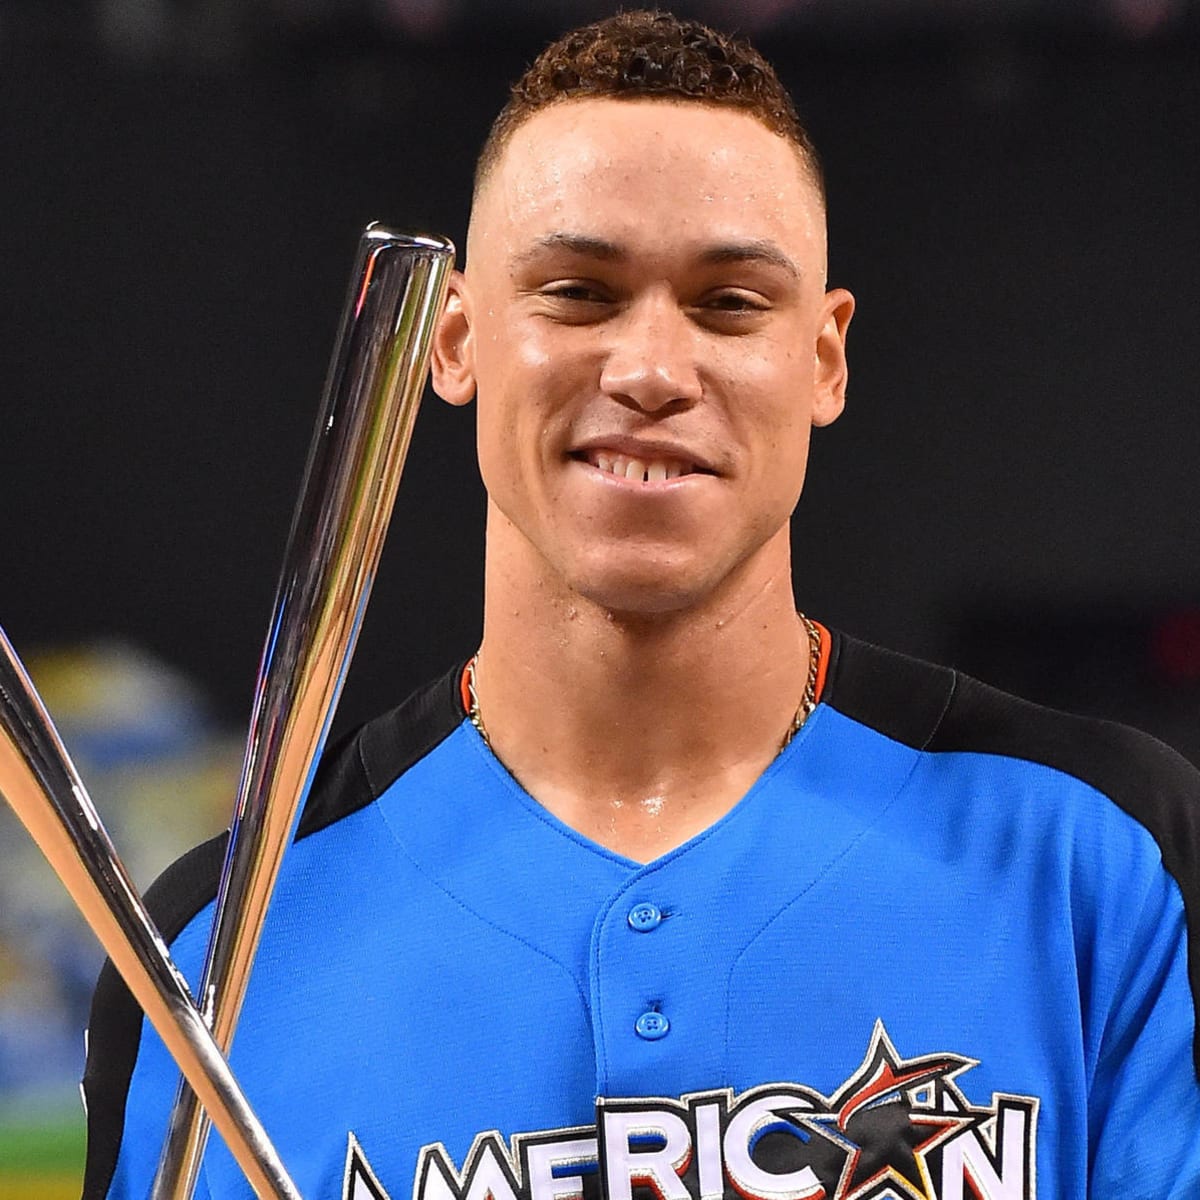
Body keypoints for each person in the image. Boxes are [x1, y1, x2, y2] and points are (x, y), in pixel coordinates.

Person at [82, 11, 1200, 1200]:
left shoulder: (1103, 856)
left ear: (825, 360)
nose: (654, 369)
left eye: (729, 303)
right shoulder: (215, 957)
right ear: (453, 339)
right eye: (577, 292)